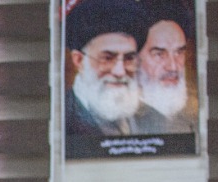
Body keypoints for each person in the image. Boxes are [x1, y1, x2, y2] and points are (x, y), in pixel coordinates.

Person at [64, 0, 164, 137]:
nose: (120, 71)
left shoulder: (155, 118)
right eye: (107, 58)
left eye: (129, 58)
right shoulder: (61, 117)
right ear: (79, 60)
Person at [135, 10, 197, 134]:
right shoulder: (120, 123)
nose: (173, 67)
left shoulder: (197, 117)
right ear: (135, 59)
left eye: (179, 52)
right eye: (159, 54)